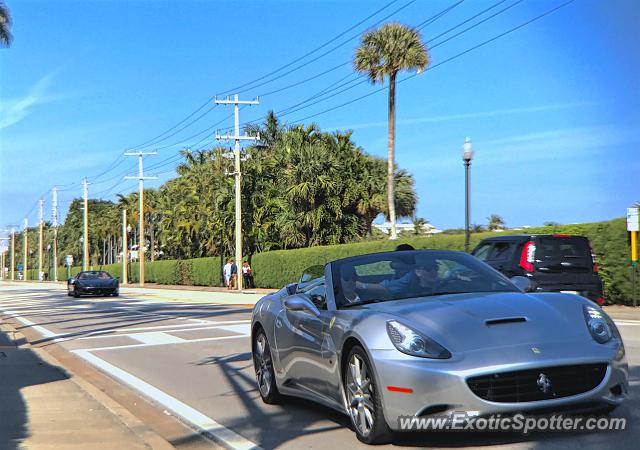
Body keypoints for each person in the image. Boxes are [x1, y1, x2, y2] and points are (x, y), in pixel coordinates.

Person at [356, 255, 440, 299]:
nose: (434, 271)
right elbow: (387, 288)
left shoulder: (447, 284)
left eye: (436, 268)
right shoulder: (408, 284)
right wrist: (361, 285)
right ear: (417, 272)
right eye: (428, 269)